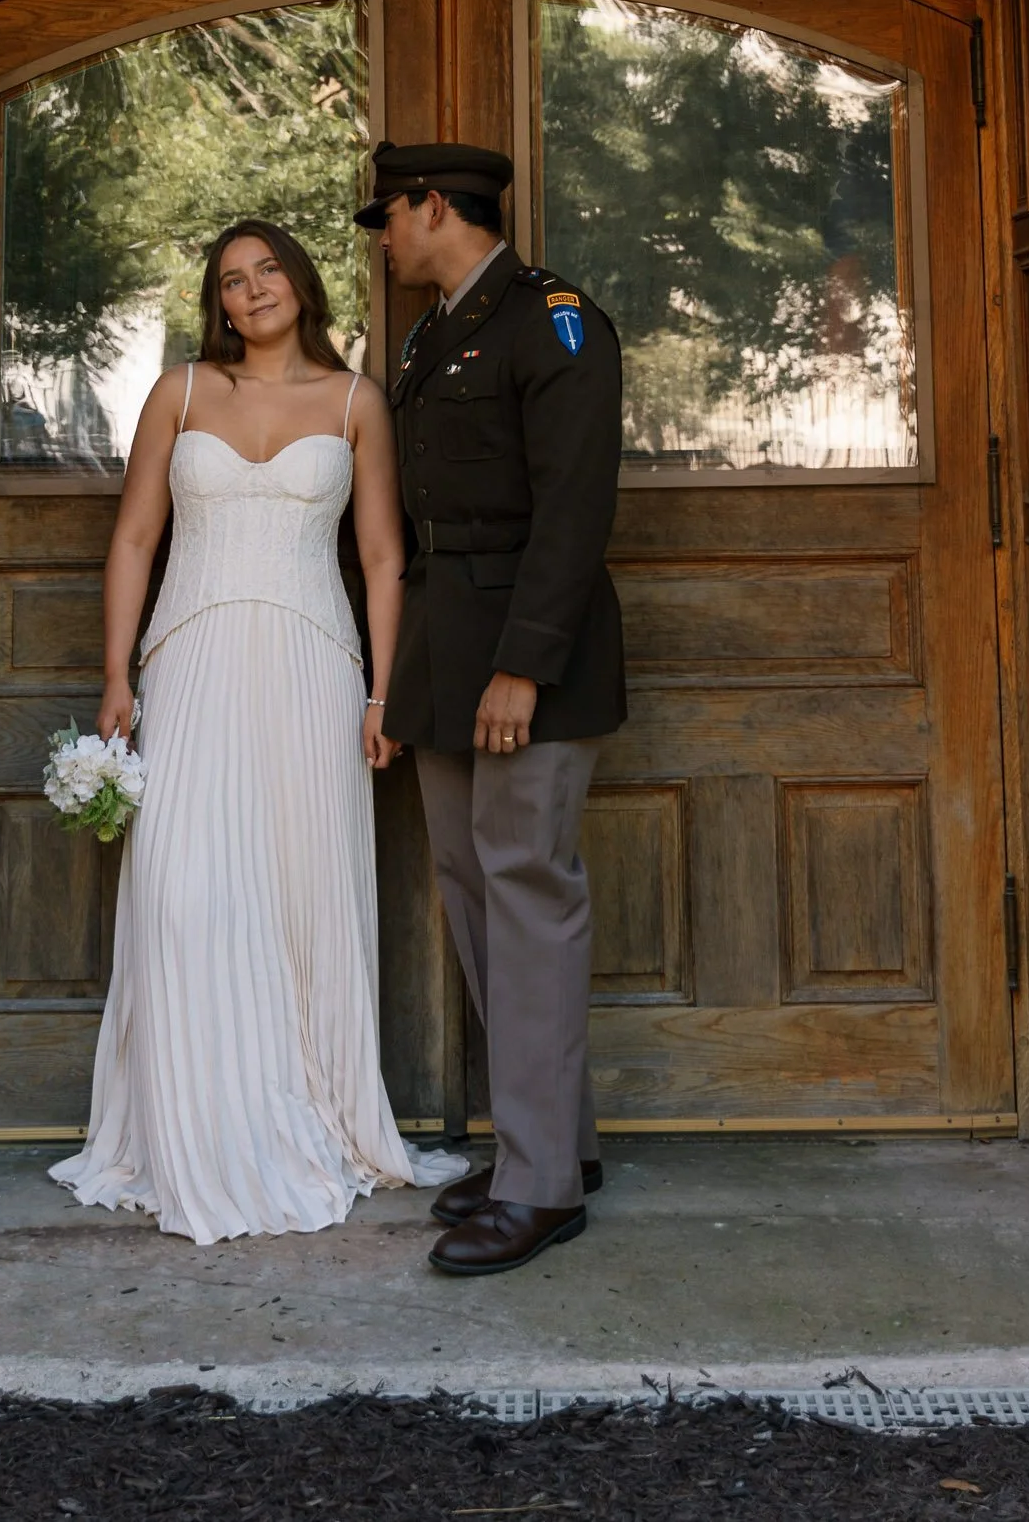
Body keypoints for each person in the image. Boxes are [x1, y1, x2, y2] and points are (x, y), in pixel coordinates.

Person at [48, 218, 466, 1243]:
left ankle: (307, 1114)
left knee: (299, 893)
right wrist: (115, 673)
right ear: (217, 304)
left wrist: (380, 695)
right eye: (230, 282)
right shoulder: (180, 393)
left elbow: (379, 558)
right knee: (182, 892)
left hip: (312, 668)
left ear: (299, 281)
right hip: (187, 661)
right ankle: (191, 1127)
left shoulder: (356, 399)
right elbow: (135, 535)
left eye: (265, 269)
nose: (251, 291)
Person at [355, 143, 626, 1276]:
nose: (381, 236)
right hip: (443, 647)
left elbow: (572, 507)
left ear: (433, 206)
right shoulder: (430, 332)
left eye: (389, 215)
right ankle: (546, 1142)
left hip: (526, 653)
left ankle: (541, 1189)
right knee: (473, 891)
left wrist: (524, 664)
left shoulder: (553, 320)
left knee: (525, 891)